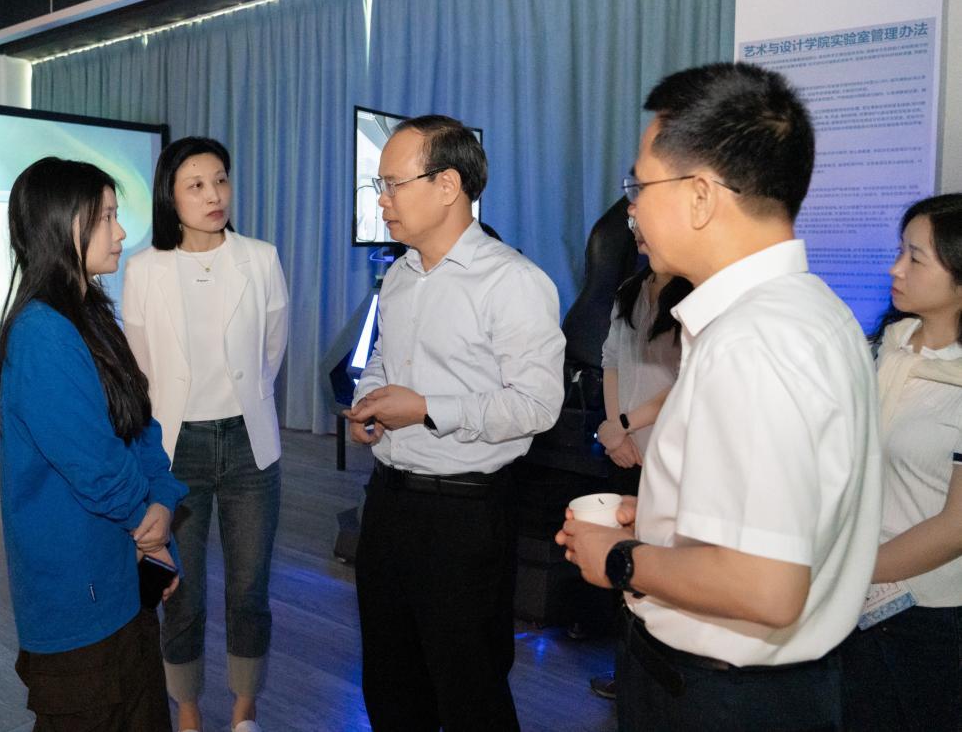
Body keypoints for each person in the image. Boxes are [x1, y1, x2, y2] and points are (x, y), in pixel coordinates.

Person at [557, 62, 882, 731]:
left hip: (720, 699)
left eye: (639, 186)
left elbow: (763, 586)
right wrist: (660, 520)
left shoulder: (750, 341)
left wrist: (619, 558)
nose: (631, 209)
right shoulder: (812, 310)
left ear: (701, 195)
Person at [343, 114, 566, 732]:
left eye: (392, 184)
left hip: (465, 515)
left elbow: (536, 405)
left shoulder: (514, 282)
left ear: (448, 186)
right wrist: (369, 403)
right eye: (379, 186)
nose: (382, 201)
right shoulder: (400, 276)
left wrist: (426, 408)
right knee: (389, 684)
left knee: (470, 692)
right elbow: (384, 357)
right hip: (387, 503)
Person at [0, 157, 188, 732]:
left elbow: (139, 423)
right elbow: (96, 467)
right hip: (78, 596)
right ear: (62, 224)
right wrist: (151, 526)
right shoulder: (41, 332)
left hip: (121, 578)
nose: (121, 231)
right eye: (106, 217)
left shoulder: (92, 313)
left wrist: (163, 500)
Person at [122, 137, 289, 732]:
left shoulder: (261, 259)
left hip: (249, 446)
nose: (214, 195)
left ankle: (245, 709)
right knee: (181, 591)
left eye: (220, 180)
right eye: (195, 185)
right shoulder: (143, 269)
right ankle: (188, 710)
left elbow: (270, 354)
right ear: (170, 197)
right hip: (176, 450)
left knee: (250, 589)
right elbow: (141, 369)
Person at [839, 193, 962, 730]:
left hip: (932, 614)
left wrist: (847, 571)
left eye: (916, 257)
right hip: (856, 605)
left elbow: (956, 527)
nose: (896, 268)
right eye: (899, 251)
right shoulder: (883, 348)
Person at [587, 220, 690, 700]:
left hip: (667, 450)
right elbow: (611, 360)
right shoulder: (630, 289)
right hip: (624, 447)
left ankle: (654, 674)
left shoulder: (693, 296)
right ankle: (625, 671)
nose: (638, 231)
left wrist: (624, 423)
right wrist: (614, 431)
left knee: (659, 562)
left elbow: (686, 382)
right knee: (624, 559)